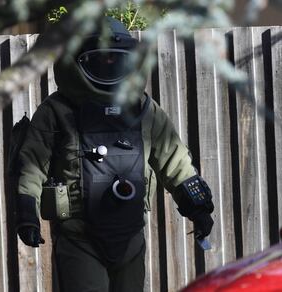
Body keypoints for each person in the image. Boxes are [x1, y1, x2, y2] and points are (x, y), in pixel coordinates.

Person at [15, 17, 214, 292]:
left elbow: (174, 160)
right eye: (101, 59)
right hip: (78, 237)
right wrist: (27, 213)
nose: (109, 65)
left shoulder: (145, 109)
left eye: (116, 59)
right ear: (77, 61)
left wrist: (198, 209)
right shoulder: (57, 111)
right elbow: (32, 166)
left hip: (130, 236)